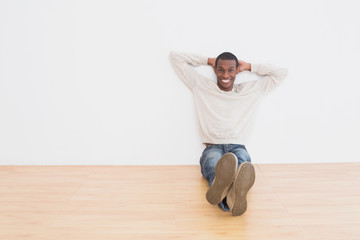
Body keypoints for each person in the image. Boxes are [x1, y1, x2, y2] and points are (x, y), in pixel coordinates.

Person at [169, 51, 288, 216]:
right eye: (221, 69)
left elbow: (281, 73)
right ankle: (227, 194)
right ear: (215, 70)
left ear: (236, 71)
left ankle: (230, 196)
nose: (225, 74)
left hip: (237, 145)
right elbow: (175, 57)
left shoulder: (249, 90)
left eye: (230, 70)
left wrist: (250, 66)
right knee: (213, 165)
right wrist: (208, 60)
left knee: (242, 166)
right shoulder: (201, 85)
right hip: (213, 146)